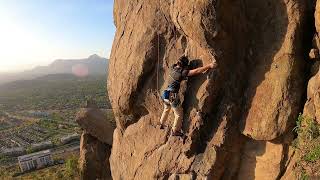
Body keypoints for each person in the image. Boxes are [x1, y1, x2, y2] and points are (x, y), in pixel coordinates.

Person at [159, 56, 217, 136]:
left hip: (165, 93)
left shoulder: (173, 67)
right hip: (172, 95)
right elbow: (197, 71)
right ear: (184, 65)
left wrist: (185, 66)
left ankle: (161, 123)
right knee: (178, 114)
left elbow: (179, 66)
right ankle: (175, 130)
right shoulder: (182, 72)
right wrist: (209, 66)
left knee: (166, 108)